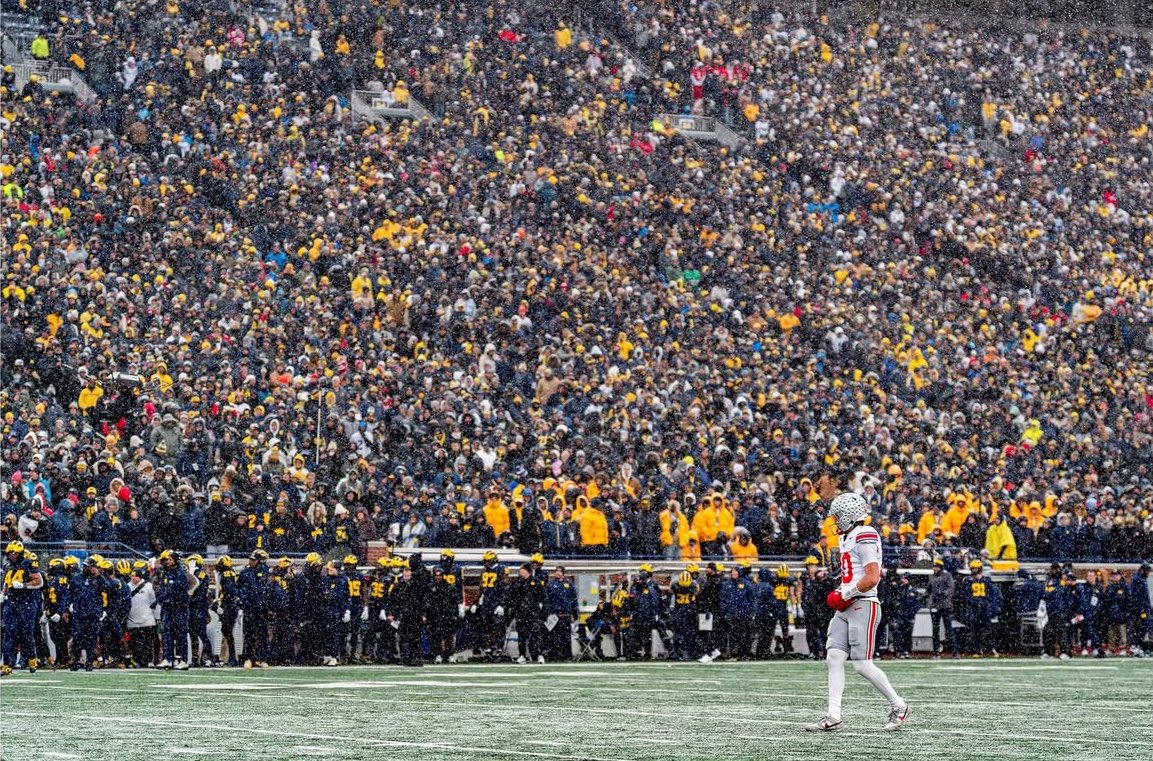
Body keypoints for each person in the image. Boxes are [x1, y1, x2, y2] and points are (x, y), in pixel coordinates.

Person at [807, 493, 909, 732]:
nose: (834, 521)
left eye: (838, 516)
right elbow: (854, 574)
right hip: (849, 602)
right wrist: (842, 591)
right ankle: (833, 715)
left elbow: (872, 578)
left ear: (849, 516)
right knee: (833, 657)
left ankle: (899, 705)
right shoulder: (848, 537)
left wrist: (845, 593)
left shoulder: (865, 534)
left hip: (864, 603)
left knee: (862, 664)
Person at [2, 541, 45, 674]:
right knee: (9, 632)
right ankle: (7, 664)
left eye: (15, 552)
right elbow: (6, 583)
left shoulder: (27, 563)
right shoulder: (8, 565)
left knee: (26, 633)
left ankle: (32, 658)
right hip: (11, 602)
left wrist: (24, 585)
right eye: (10, 552)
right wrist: (3, 594)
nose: (12, 555)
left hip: (26, 602)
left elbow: (39, 582)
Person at [154, 549, 190, 670]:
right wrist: (162, 597)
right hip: (168, 607)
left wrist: (163, 596)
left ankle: (183, 659)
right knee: (167, 633)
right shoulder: (166, 573)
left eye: (170, 559)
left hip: (179, 607)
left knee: (181, 634)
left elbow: (175, 589)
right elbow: (163, 588)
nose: (167, 562)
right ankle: (168, 658)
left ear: (175, 560)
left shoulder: (180, 573)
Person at [507, 562, 546, 664]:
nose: (521, 572)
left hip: (533, 613)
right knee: (522, 636)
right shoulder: (517, 583)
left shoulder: (536, 582)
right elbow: (511, 597)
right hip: (521, 613)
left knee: (536, 635)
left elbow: (543, 597)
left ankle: (539, 655)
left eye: (523, 570)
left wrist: (542, 610)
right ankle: (522, 655)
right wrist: (513, 610)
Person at [756, 564, 792, 658]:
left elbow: (793, 592)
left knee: (784, 630)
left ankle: (786, 649)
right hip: (775, 608)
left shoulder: (788, 581)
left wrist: (793, 605)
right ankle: (766, 649)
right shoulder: (771, 582)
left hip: (781, 607)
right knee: (770, 630)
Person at [126, 562, 157, 668]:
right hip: (132, 620)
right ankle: (137, 660)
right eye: (132, 576)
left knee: (148, 642)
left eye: (135, 576)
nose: (133, 578)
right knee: (135, 643)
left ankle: (148, 660)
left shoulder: (148, 586)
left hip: (146, 620)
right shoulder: (127, 587)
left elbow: (153, 601)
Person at [545, 566, 579, 662]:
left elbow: (574, 599)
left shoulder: (569, 584)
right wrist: (547, 612)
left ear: (563, 573)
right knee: (554, 637)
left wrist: (575, 613)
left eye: (560, 571)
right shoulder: (550, 585)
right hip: (554, 615)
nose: (558, 573)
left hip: (566, 614)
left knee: (566, 637)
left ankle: (567, 656)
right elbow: (547, 600)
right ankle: (554, 656)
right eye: (556, 571)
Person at [928, 558, 958, 658]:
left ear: (940, 567)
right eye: (934, 567)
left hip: (945, 605)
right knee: (935, 630)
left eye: (936, 567)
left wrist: (943, 594)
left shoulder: (947, 575)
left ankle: (954, 651)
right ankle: (936, 652)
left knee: (949, 629)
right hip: (935, 605)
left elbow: (951, 588)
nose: (934, 569)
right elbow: (929, 589)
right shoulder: (931, 577)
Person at [215, 555, 241, 667]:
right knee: (227, 631)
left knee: (227, 631)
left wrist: (224, 604)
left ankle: (232, 657)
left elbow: (229, 590)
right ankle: (230, 657)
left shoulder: (227, 573)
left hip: (229, 605)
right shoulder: (229, 572)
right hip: (230, 605)